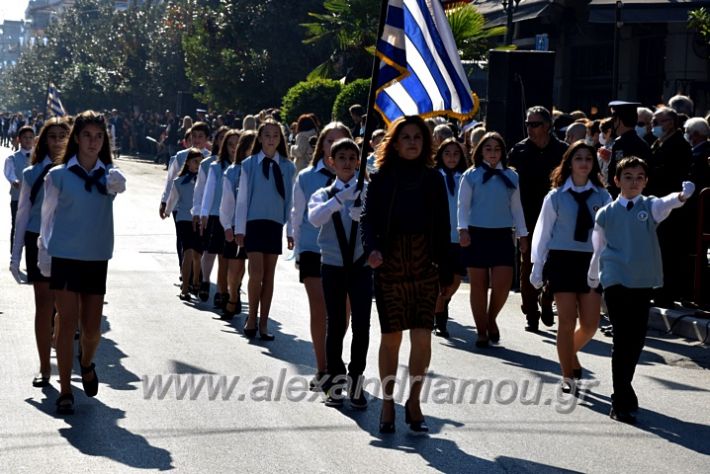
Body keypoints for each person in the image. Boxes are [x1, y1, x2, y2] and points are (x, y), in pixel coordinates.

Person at [360, 115, 452, 434]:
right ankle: (387, 402)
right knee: (391, 338)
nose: (412, 142)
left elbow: (443, 226)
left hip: (426, 264)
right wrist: (371, 249)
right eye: (406, 137)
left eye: (417, 137)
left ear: (425, 143)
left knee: (423, 335)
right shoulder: (382, 178)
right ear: (395, 143)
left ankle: (414, 401)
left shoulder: (434, 179)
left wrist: (448, 271)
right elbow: (367, 220)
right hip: (390, 263)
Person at [587, 157, 695, 424]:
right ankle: (620, 399)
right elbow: (598, 248)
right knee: (622, 339)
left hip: (641, 281)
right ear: (616, 180)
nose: (633, 182)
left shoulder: (649, 207)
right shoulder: (605, 213)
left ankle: (625, 389)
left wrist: (682, 195)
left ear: (646, 181)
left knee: (635, 341)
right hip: (614, 279)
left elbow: (666, 202)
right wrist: (592, 277)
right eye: (627, 176)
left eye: (639, 177)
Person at [37, 110, 127, 415]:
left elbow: (120, 185)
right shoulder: (57, 175)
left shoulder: (110, 177)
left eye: (98, 137)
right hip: (64, 256)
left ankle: (86, 363)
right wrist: (44, 254)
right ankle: (65, 390)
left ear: (105, 141)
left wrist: (116, 181)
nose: (92, 141)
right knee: (66, 325)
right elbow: (47, 218)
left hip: (95, 257)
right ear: (76, 138)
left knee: (91, 330)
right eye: (87, 135)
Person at [530, 141, 611, 392]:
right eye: (578, 158)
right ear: (569, 163)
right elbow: (543, 233)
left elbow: (609, 233)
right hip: (562, 260)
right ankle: (568, 375)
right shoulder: (555, 196)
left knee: (590, 324)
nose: (584, 163)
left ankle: (568, 352)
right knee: (566, 320)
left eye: (588, 158)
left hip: (591, 261)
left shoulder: (602, 196)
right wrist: (537, 266)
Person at [308, 137, 372, 409]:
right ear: (331, 162)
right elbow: (315, 218)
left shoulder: (368, 191)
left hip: (360, 266)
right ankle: (335, 381)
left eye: (352, 158)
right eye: (341, 158)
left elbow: (380, 222)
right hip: (333, 265)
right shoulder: (323, 194)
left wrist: (365, 214)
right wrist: (339, 201)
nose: (347, 163)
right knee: (335, 324)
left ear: (358, 162)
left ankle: (356, 380)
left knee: (362, 325)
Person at [9, 117, 70, 387]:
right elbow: (21, 216)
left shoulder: (76, 171)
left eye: (62, 136)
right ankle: (45, 367)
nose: (57, 141)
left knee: (66, 308)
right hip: (38, 241)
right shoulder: (31, 173)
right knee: (44, 306)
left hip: (70, 242)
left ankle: (61, 341)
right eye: (52, 136)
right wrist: (15, 257)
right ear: (43, 141)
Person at [291, 122, 351, 389]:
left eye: (341, 141)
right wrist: (297, 250)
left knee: (342, 313)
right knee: (321, 309)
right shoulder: (306, 177)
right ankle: (323, 368)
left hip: (348, 255)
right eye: (329, 141)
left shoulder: (361, 179)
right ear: (322, 146)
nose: (334, 146)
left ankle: (335, 360)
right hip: (314, 249)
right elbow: (298, 214)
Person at [459, 132, 528, 347]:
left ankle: (491, 319)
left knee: (503, 284)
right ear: (480, 151)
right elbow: (462, 206)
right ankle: (481, 330)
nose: (492, 153)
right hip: (477, 234)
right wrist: (462, 230)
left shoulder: (511, 176)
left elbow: (517, 208)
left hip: (502, 235)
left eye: (497, 149)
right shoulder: (471, 175)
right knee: (478, 285)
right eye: (488, 149)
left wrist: (523, 234)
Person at [235, 119, 296, 340]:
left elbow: (290, 201)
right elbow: (242, 199)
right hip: (253, 223)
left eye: (275, 136)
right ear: (260, 138)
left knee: (269, 276)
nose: (271, 139)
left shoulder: (288, 167)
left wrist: (290, 231)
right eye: (267, 135)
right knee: (256, 273)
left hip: (274, 224)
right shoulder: (249, 164)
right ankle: (251, 317)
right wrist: (239, 228)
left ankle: (263, 323)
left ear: (280, 140)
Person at [508, 106, 566, 332]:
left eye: (535, 124)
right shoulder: (519, 151)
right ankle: (531, 313)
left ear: (547, 125)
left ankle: (547, 298)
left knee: (554, 263)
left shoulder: (562, 150)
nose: (530, 129)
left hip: (558, 216)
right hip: (528, 216)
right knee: (528, 264)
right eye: (528, 124)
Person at [433, 138, 468, 338]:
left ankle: (441, 303)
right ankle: (441, 320)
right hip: (440, 238)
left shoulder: (466, 177)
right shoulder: (434, 176)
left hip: (459, 237)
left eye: (456, 154)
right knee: (441, 280)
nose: (452, 157)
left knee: (455, 280)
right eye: (447, 153)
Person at [220, 131, 257, 319]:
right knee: (235, 265)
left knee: (251, 268)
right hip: (235, 224)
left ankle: (240, 293)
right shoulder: (232, 172)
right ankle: (233, 296)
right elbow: (226, 202)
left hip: (256, 225)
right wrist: (227, 225)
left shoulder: (262, 170)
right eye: (249, 148)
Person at [163, 148, 205, 300]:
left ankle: (196, 281)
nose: (198, 165)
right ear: (187, 163)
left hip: (199, 220)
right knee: (187, 252)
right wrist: (167, 211)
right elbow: (173, 199)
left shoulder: (205, 181)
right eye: (195, 162)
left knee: (197, 254)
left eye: (201, 162)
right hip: (184, 220)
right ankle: (185, 287)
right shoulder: (179, 181)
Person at [195, 126, 229, 305]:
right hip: (213, 214)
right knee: (209, 251)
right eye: (222, 138)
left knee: (225, 255)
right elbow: (201, 190)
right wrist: (200, 212)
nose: (225, 143)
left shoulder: (238, 164)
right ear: (216, 141)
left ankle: (222, 290)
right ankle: (206, 281)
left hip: (230, 216)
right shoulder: (208, 164)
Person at [606, 101, 651, 198]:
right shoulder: (641, 143)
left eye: (614, 120)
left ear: (618, 120)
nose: (613, 124)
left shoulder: (621, 143)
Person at [4, 125, 35, 251]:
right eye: (25, 137)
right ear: (19, 139)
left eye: (30, 137)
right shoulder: (12, 158)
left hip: (35, 199)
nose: (28, 140)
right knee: (16, 225)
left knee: (33, 227)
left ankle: (32, 254)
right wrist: (14, 181)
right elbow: (9, 172)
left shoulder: (38, 157)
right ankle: (14, 253)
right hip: (18, 198)